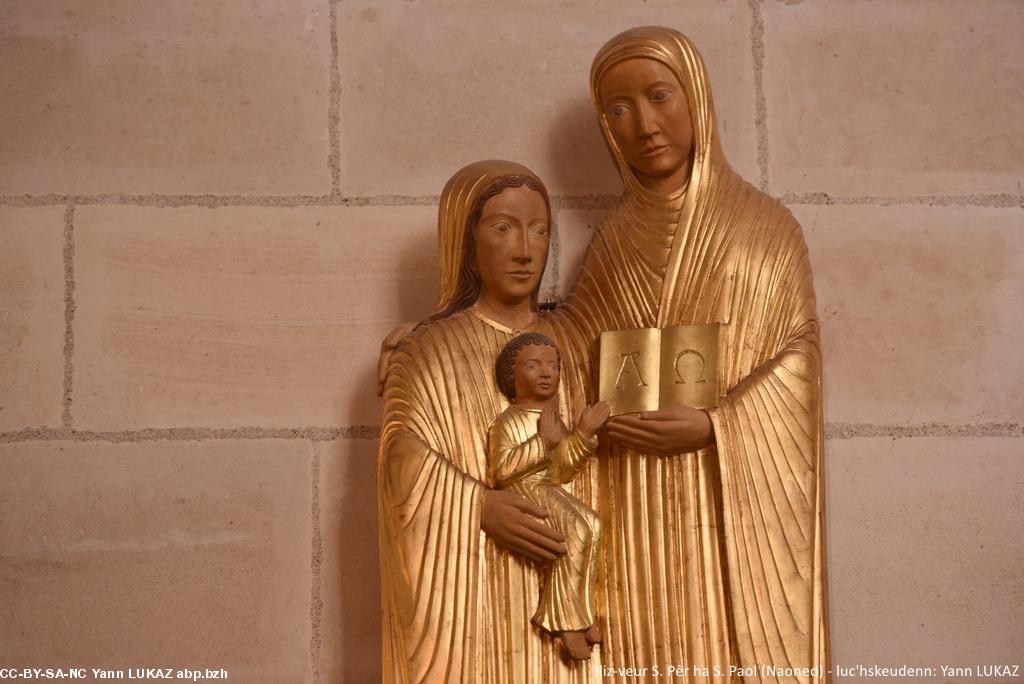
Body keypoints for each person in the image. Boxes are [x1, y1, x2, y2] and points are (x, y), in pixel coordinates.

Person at [550, 27, 830, 681]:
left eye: (658, 96)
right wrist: (464, 330)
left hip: (724, 495)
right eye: (619, 109)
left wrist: (716, 424)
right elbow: (566, 350)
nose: (644, 124)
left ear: (696, 99)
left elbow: (799, 363)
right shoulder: (614, 243)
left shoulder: (766, 228)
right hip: (633, 500)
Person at [378, 160, 600, 683]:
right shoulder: (430, 349)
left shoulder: (576, 342)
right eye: (503, 228)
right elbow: (400, 458)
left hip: (566, 564)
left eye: (539, 229)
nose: (525, 249)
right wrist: (477, 505)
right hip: (472, 596)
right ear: (466, 241)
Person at [488, 332, 609, 661]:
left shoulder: (553, 419)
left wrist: (583, 431)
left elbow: (565, 470)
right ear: (511, 377)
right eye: (533, 365)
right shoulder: (509, 420)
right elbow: (501, 470)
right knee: (577, 531)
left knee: (593, 525)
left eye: (553, 367)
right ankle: (565, 623)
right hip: (523, 490)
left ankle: (580, 616)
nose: (546, 373)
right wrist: (542, 441)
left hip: (547, 487)